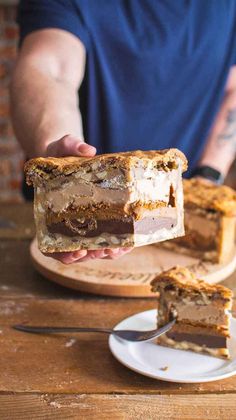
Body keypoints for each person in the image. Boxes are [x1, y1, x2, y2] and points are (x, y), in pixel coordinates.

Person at [10, 0, 236, 264]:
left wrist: (207, 177)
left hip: (181, 227)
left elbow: (232, 88)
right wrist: (64, 164)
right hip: (69, 226)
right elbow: (50, 69)